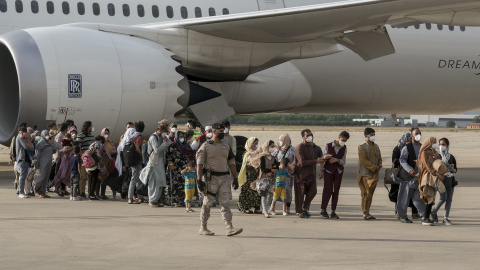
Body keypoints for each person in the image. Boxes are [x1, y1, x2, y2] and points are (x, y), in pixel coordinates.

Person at [196, 123, 242, 236]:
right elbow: (199, 163)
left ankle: (229, 227)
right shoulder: (206, 146)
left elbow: (231, 162)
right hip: (211, 178)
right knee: (207, 203)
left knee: (225, 202)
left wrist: (235, 178)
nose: (222, 133)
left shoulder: (226, 146)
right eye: (220, 131)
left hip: (224, 178)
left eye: (223, 131)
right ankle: (203, 226)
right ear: (214, 132)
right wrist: (199, 180)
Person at [396, 129, 426, 223]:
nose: (419, 135)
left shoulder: (422, 147)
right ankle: (402, 216)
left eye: (420, 133)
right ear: (412, 136)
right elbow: (402, 160)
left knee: (418, 198)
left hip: (418, 178)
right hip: (408, 178)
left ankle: (425, 216)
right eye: (417, 133)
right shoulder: (407, 147)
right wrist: (409, 170)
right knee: (404, 198)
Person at [294, 129, 324, 218]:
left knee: (313, 192)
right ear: (303, 137)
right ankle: (300, 212)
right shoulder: (299, 147)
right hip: (301, 175)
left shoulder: (312, 147)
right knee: (300, 194)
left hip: (311, 174)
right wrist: (315, 161)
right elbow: (302, 162)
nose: (310, 137)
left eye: (311, 135)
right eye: (307, 136)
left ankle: (304, 207)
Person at [321, 131, 349, 219]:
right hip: (328, 171)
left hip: (338, 171)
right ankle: (323, 210)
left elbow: (343, 161)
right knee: (327, 190)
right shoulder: (328, 145)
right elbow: (323, 158)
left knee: (336, 191)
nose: (343, 142)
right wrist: (326, 158)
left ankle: (333, 211)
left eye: (345, 141)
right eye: (343, 140)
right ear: (338, 137)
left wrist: (336, 160)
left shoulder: (344, 148)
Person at [140, 124, 170, 207]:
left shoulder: (161, 137)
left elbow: (166, 146)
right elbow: (156, 150)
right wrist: (164, 143)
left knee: (160, 180)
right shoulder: (153, 137)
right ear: (160, 131)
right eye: (164, 132)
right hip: (154, 162)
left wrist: (166, 141)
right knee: (153, 182)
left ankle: (156, 200)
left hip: (160, 161)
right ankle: (152, 200)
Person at [391, 132, 419, 219]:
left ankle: (415, 212)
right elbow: (394, 160)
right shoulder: (398, 148)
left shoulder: (414, 147)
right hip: (402, 175)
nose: (409, 141)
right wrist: (403, 162)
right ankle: (398, 212)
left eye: (410, 139)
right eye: (408, 139)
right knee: (400, 194)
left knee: (414, 193)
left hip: (413, 173)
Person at [416, 136, 443, 226]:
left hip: (433, 176)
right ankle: (425, 218)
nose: (436, 144)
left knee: (432, 197)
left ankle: (427, 217)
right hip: (427, 176)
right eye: (434, 142)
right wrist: (436, 173)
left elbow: (439, 159)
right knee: (428, 196)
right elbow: (427, 166)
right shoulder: (424, 152)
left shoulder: (433, 152)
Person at [357, 127, 382, 220]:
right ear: (366, 136)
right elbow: (363, 160)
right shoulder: (361, 147)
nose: (373, 136)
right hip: (364, 174)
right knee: (365, 194)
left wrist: (379, 165)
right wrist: (374, 167)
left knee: (370, 194)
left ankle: (367, 212)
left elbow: (379, 158)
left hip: (374, 175)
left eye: (374, 135)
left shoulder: (376, 146)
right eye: (371, 135)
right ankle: (365, 213)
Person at [431, 138, 457, 225]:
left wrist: (453, 169)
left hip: (450, 180)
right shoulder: (436, 156)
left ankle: (446, 218)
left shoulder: (451, 157)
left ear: (447, 146)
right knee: (443, 198)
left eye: (444, 144)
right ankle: (433, 211)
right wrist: (439, 175)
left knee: (449, 199)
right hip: (440, 181)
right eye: (440, 144)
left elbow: (455, 169)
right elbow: (433, 168)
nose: (442, 146)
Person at [165, 130, 195, 206]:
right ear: (177, 137)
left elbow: (190, 155)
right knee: (175, 184)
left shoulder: (186, 146)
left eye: (183, 137)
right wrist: (171, 165)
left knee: (183, 184)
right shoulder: (173, 146)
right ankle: (174, 201)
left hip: (184, 168)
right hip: (175, 168)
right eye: (180, 137)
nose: (182, 138)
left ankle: (183, 200)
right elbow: (169, 157)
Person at [251, 140, 278, 218]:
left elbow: (276, 167)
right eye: (271, 146)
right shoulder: (262, 157)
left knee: (270, 195)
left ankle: (265, 208)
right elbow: (263, 169)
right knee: (264, 195)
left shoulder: (273, 157)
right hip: (263, 178)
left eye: (273, 146)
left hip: (271, 178)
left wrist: (272, 172)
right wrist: (271, 170)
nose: (273, 148)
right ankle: (265, 211)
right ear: (267, 147)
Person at [237, 137, 262, 214]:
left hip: (256, 175)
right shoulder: (246, 153)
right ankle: (246, 207)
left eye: (257, 144)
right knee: (247, 191)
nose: (256, 145)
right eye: (254, 143)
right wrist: (254, 165)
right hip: (248, 175)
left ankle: (257, 207)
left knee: (257, 190)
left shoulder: (258, 153)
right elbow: (247, 162)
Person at [272, 133, 295, 214]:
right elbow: (273, 157)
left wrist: (291, 168)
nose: (280, 142)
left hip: (287, 174)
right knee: (277, 191)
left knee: (287, 191)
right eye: (280, 140)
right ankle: (273, 208)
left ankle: (287, 208)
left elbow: (295, 161)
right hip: (279, 173)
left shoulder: (292, 149)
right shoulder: (279, 149)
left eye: (282, 140)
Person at [34, 130, 62, 198]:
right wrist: (36, 164)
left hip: (49, 162)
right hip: (42, 163)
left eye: (47, 134)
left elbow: (57, 148)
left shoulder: (50, 142)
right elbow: (37, 154)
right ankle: (38, 191)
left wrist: (51, 144)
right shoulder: (40, 144)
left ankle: (43, 192)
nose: (47, 135)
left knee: (46, 177)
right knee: (41, 177)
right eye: (45, 134)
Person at [127, 121, 145, 204]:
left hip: (132, 159)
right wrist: (143, 156)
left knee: (138, 178)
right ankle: (130, 197)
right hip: (136, 159)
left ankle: (139, 196)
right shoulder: (139, 136)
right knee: (134, 179)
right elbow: (138, 148)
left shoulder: (132, 135)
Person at [76, 121, 95, 199]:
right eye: (91, 126)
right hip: (84, 159)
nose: (92, 128)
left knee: (90, 176)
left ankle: (90, 192)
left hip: (90, 159)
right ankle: (82, 192)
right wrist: (82, 157)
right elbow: (78, 147)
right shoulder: (80, 136)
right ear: (87, 127)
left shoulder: (91, 136)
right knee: (83, 176)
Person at [98, 128, 117, 200]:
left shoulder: (111, 142)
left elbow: (114, 149)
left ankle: (113, 193)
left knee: (111, 178)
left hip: (111, 162)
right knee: (103, 179)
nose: (106, 135)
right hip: (104, 162)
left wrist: (112, 154)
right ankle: (102, 194)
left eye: (107, 133)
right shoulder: (101, 143)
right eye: (105, 133)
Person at [16, 126, 36, 198]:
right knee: (22, 176)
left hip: (26, 159)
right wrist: (32, 147)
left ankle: (20, 191)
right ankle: (21, 192)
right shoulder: (20, 137)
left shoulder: (26, 138)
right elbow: (26, 147)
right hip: (23, 159)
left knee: (23, 176)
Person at [85, 135, 105, 201]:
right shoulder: (97, 144)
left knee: (93, 180)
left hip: (91, 163)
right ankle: (92, 195)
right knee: (94, 179)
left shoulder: (93, 143)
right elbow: (96, 151)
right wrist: (100, 157)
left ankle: (91, 194)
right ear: (101, 140)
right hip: (94, 164)